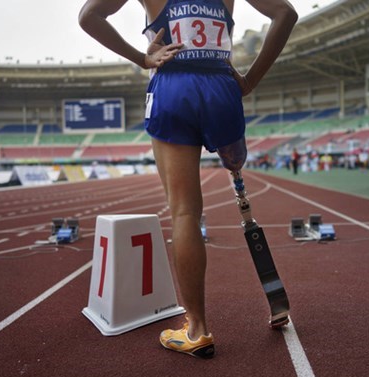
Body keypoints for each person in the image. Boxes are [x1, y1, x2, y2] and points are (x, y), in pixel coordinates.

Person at [79, 0, 298, 359]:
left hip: (172, 86)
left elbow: (89, 16)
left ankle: (197, 328)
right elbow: (286, 13)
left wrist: (142, 58)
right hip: (222, 89)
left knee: (184, 213)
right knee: (234, 182)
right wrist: (251, 80)